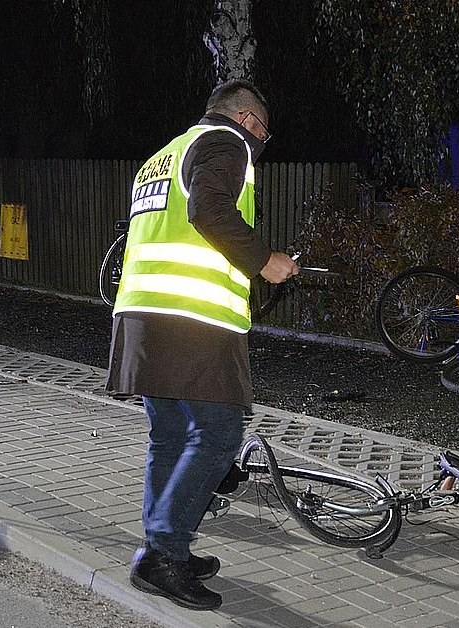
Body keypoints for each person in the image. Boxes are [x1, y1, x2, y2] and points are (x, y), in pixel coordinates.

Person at [107, 79, 298, 611]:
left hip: (145, 318)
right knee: (218, 434)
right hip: (193, 320)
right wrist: (266, 261)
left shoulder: (162, 157)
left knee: (170, 437)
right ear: (249, 122)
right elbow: (210, 212)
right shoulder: (225, 143)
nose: (260, 141)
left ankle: (165, 547)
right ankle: (162, 554)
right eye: (262, 131)